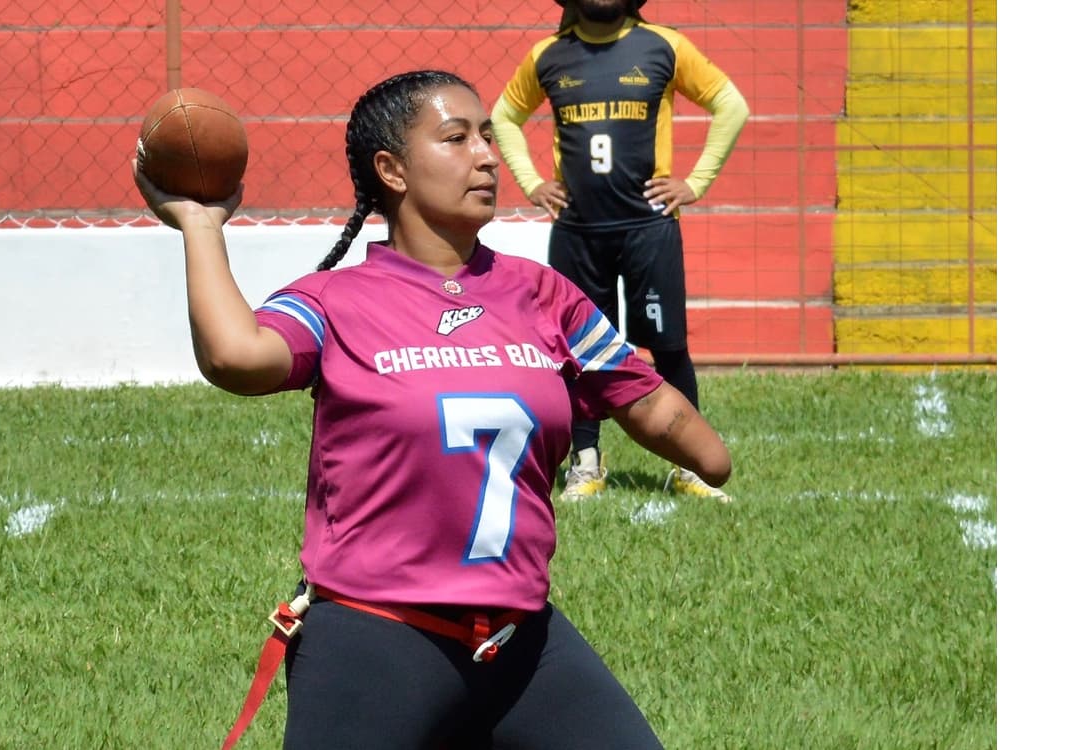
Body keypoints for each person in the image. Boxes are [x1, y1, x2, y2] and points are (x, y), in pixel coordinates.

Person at [134, 69, 730, 750]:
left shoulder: (542, 294)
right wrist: (200, 225)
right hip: (376, 639)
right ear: (392, 170)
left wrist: (688, 435)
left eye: (486, 136)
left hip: (522, 641)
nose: (486, 155)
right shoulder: (339, 300)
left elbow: (643, 398)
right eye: (455, 138)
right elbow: (236, 358)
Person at [491, 0, 749, 502]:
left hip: (648, 229)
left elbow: (730, 104)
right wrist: (530, 182)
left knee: (668, 345)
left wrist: (696, 182)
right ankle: (585, 462)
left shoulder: (664, 46)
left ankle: (689, 465)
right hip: (578, 231)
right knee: (577, 351)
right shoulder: (547, 55)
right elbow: (504, 116)